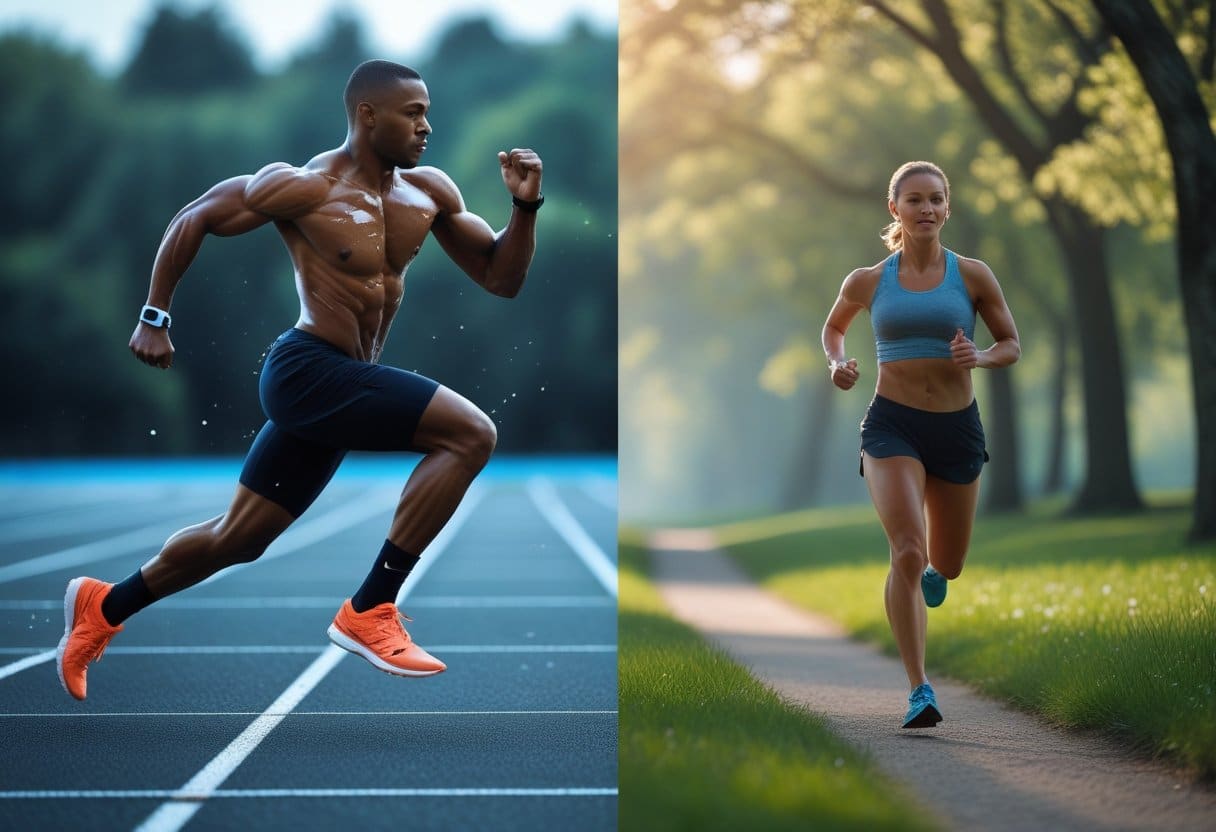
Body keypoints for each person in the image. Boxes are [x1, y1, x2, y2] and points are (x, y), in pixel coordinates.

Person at [56, 59, 544, 701]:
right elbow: (197, 214)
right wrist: (155, 315)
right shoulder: (308, 186)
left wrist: (524, 205)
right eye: (413, 112)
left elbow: (500, 278)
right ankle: (372, 608)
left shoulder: (428, 192)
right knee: (471, 435)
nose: (427, 125)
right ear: (368, 115)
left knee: (239, 539)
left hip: (345, 384)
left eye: (428, 111)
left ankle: (103, 607)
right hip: (309, 370)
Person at [821, 161, 1019, 728]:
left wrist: (979, 356)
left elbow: (1010, 342)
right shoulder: (867, 279)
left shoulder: (974, 275)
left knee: (946, 564)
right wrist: (838, 363)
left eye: (935, 199)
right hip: (892, 425)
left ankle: (937, 572)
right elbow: (834, 328)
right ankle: (919, 689)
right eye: (914, 200)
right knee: (907, 549)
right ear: (895, 210)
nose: (926, 209)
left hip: (957, 429)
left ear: (947, 208)